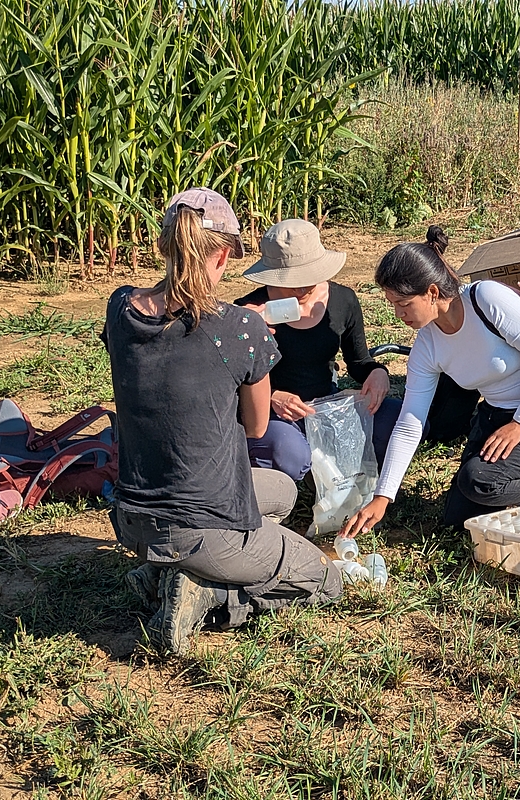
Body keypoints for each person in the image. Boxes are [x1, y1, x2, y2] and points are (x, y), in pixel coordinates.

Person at [103, 188, 342, 656]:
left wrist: (237, 327)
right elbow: (256, 427)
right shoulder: (240, 330)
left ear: (165, 246)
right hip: (203, 527)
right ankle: (210, 593)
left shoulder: (120, 307)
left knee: (284, 491)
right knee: (324, 581)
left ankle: (160, 567)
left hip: (132, 517)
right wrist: (245, 334)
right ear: (224, 256)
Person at [340, 226, 520, 537]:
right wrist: (383, 495)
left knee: (480, 481)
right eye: (393, 304)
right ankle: (516, 491)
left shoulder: (487, 299)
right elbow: (410, 421)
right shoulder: (427, 346)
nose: (397, 313)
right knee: (458, 520)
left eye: (403, 304)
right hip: (496, 416)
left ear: (432, 292)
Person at [235, 219, 399, 481]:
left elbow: (358, 361)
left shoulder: (343, 300)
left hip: (323, 406)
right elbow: (232, 383)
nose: (303, 289)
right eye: (292, 281)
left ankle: (342, 470)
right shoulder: (249, 311)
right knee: (289, 452)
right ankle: (299, 467)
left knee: (399, 419)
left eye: (309, 278)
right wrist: (273, 396)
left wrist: (377, 372)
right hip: (274, 414)